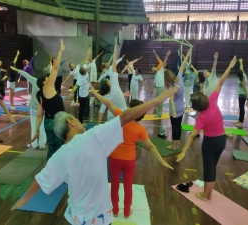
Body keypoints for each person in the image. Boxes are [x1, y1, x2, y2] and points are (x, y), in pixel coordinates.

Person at [12, 84, 179, 225]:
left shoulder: (58, 156)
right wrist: (158, 99)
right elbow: (126, 116)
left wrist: (24, 199)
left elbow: (39, 180)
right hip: (100, 218)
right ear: (71, 122)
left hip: (76, 218)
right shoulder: (93, 136)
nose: (78, 121)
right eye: (75, 119)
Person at [90, 84, 173, 218]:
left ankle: (115, 210)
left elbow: (107, 102)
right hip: (129, 161)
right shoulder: (140, 129)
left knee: (115, 185)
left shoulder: (121, 117)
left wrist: (95, 93)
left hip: (114, 158)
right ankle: (127, 212)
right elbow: (151, 147)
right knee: (128, 186)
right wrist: (162, 161)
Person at [176, 56, 237, 201]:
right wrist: (229, 66)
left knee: (208, 169)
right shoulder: (212, 100)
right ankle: (209, 194)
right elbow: (221, 81)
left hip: (210, 143)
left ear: (196, 107)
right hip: (222, 141)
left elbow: (191, 136)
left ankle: (205, 195)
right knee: (213, 168)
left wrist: (183, 152)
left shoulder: (201, 118)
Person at [32, 40, 66, 160]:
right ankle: (60, 170)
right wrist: (60, 51)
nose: (49, 78)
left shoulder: (39, 95)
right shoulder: (48, 87)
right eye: (47, 78)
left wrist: (36, 131)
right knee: (60, 147)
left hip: (47, 122)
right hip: (58, 122)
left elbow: (40, 115)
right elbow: (55, 68)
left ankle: (50, 171)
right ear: (43, 82)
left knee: (51, 148)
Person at [11, 66, 47, 149]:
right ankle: (42, 144)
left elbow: (26, 74)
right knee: (42, 127)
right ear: (43, 81)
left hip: (34, 109)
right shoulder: (45, 87)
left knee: (34, 126)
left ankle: (34, 145)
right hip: (41, 110)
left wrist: (18, 70)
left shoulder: (35, 81)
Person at [165, 48, 191, 150]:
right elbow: (183, 64)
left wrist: (174, 112)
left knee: (174, 127)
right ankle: (177, 145)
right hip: (181, 108)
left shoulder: (171, 86)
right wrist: (188, 53)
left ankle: (174, 146)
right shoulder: (179, 77)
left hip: (175, 109)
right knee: (178, 127)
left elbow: (171, 100)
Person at [97, 45, 127, 125]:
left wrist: (98, 125)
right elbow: (114, 64)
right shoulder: (107, 73)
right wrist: (115, 52)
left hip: (112, 115)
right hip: (121, 114)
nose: (106, 64)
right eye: (104, 64)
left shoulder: (105, 98)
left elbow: (101, 111)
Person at [67, 50, 91, 125]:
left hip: (87, 93)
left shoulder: (83, 68)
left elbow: (86, 61)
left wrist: (88, 53)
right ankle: (81, 121)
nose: (87, 69)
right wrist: (70, 93)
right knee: (81, 108)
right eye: (86, 70)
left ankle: (85, 115)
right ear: (84, 73)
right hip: (82, 95)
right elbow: (75, 87)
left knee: (86, 106)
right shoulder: (80, 80)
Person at [150, 49, 170, 118]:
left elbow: (164, 62)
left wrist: (166, 56)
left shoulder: (160, 71)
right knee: (156, 100)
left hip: (161, 87)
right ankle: (158, 112)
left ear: (156, 68)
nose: (154, 69)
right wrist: (152, 90)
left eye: (154, 68)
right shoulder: (155, 76)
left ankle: (159, 113)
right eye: (153, 69)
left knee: (160, 101)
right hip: (157, 88)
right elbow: (155, 83)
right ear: (153, 71)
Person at [234, 58, 248, 127]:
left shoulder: (242, 81)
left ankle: (241, 121)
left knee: (242, 108)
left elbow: (246, 90)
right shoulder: (242, 74)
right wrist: (241, 62)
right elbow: (241, 68)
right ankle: (239, 120)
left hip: (242, 95)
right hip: (241, 95)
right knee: (240, 108)